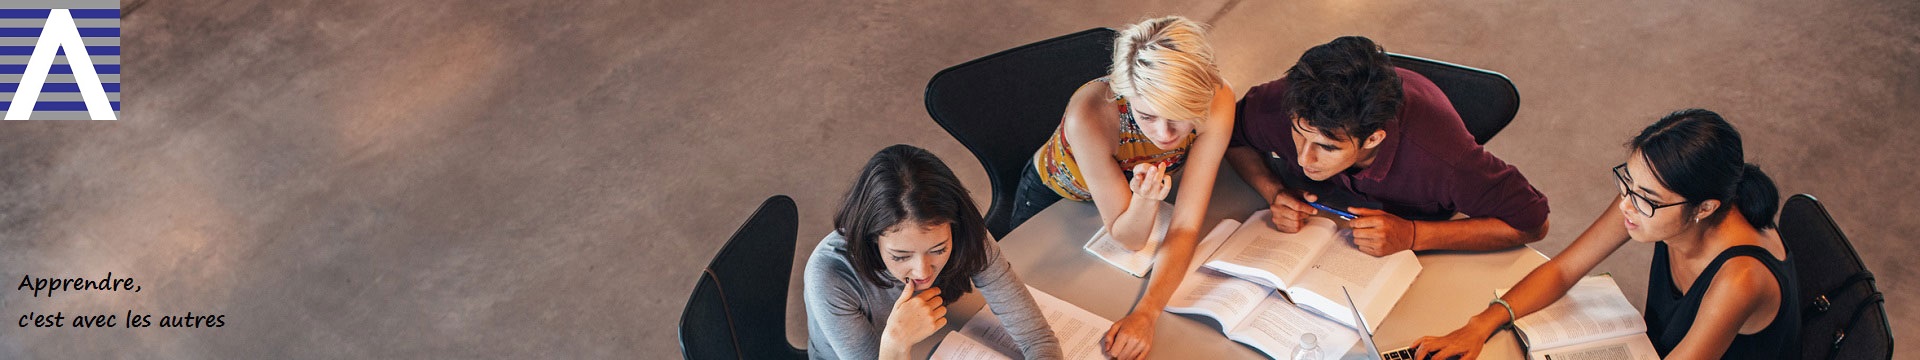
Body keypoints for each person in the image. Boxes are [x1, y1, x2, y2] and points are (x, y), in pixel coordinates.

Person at [1410, 109, 1800, 359]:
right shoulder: (1648, 200)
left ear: (1704, 208)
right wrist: (1481, 323)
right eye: (1627, 182)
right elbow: (1565, 270)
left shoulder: (1740, 279)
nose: (1626, 205)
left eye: (1645, 197)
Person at [1008, 16, 1237, 359]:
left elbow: (1187, 224)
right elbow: (1130, 239)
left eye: (1178, 116)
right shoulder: (1090, 113)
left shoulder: (1217, 100)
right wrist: (1144, 201)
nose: (1164, 135)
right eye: (1147, 116)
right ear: (1125, 92)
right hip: (1057, 197)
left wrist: (1148, 311)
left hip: (1135, 190)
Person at [1225, 36, 1551, 257]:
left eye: (1327, 147)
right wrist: (1274, 192)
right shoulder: (1287, 103)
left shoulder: (1442, 158)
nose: (1303, 157)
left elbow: (1533, 223)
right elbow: (1232, 137)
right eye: (1298, 133)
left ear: (1373, 139)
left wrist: (1413, 235)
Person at [804, 145, 1063, 360]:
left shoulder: (965, 232)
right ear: (872, 240)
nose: (923, 272)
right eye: (901, 256)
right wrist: (895, 344)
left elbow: (1038, 338)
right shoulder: (829, 275)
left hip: (935, 342)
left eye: (938, 249)